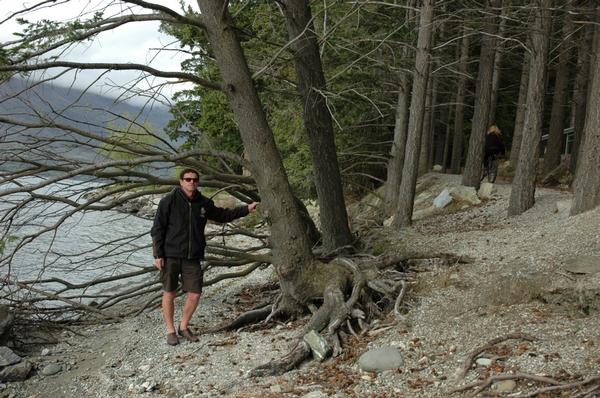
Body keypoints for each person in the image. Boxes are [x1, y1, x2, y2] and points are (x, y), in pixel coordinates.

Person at [151, 168, 258, 346]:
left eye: (194, 179)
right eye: (187, 179)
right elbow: (157, 229)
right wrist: (158, 254)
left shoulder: (203, 203)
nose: (191, 182)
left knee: (195, 294)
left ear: (197, 182)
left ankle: (183, 327)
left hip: (193, 256)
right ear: (181, 182)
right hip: (170, 255)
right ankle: (170, 331)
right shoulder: (168, 201)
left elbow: (223, 215)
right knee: (169, 292)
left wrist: (246, 209)